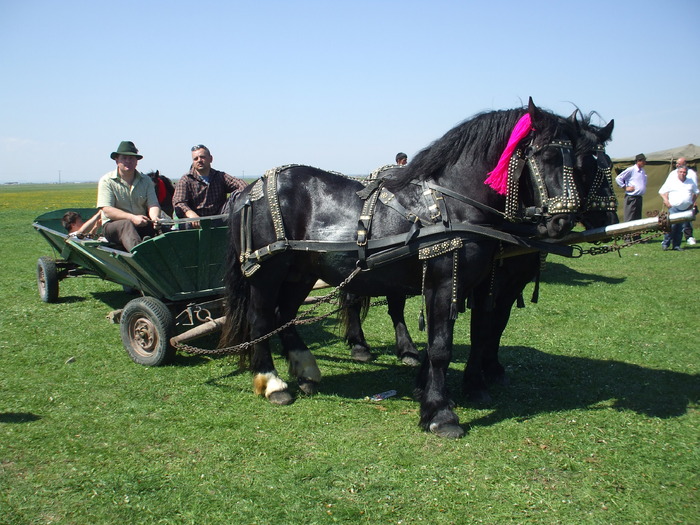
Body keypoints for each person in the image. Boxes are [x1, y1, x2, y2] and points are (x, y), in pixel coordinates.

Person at [96, 141, 161, 251]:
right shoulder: (107, 181)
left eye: (131, 158)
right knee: (126, 225)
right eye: (124, 158)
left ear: (136, 161)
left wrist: (155, 218)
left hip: (141, 224)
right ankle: (142, 256)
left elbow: (153, 204)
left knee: (164, 229)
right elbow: (107, 210)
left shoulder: (146, 181)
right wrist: (132, 218)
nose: (128, 161)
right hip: (113, 227)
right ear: (117, 160)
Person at [173, 144, 246, 228]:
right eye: (195, 159)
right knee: (185, 222)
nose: (199, 160)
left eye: (202, 157)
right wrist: (191, 214)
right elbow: (178, 202)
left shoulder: (220, 176)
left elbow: (241, 185)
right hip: (195, 223)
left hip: (219, 218)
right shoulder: (186, 179)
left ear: (211, 159)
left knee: (238, 194)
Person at [658, 165, 699, 251]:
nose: (682, 174)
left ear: (686, 173)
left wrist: (692, 202)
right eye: (681, 172)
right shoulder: (672, 181)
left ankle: (676, 245)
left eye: (684, 172)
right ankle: (666, 244)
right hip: (674, 207)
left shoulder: (690, 181)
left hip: (685, 209)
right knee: (672, 226)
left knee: (680, 228)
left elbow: (696, 192)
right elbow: (661, 191)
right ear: (677, 173)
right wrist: (666, 201)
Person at [615, 153, 647, 223]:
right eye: (644, 161)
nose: (645, 162)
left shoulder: (642, 171)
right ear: (639, 161)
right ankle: (628, 233)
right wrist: (625, 187)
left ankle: (636, 234)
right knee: (629, 218)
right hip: (631, 198)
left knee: (637, 219)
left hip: (638, 197)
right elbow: (618, 178)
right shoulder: (631, 169)